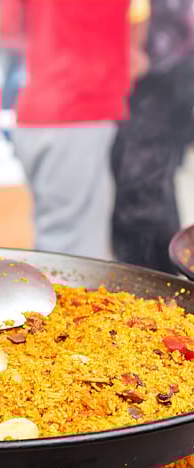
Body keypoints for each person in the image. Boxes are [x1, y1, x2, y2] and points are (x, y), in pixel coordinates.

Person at [0, 0, 147, 260]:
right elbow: (139, 21)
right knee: (74, 259)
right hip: (80, 111)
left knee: (57, 243)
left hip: (37, 112)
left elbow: (6, 30)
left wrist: (49, 46)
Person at [111, 0, 194, 274]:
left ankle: (159, 287)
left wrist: (133, 48)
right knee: (138, 180)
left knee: (143, 185)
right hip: (152, 72)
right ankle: (150, 282)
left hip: (163, 72)